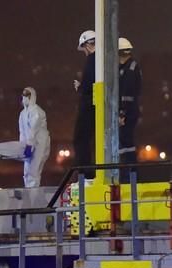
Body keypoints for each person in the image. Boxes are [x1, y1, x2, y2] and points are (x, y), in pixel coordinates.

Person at [118, 37, 142, 183]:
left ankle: (128, 176)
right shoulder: (126, 67)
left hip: (128, 111)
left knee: (126, 142)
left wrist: (122, 113)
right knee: (124, 143)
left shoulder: (130, 69)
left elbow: (127, 93)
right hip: (128, 110)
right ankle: (127, 174)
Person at [73, 30, 96, 180]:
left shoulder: (92, 60)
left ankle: (85, 174)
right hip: (95, 104)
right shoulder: (102, 60)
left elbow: (88, 85)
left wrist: (80, 87)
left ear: (87, 45)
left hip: (88, 105)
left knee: (80, 138)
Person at [19, 87, 51, 187]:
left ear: (31, 97)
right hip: (28, 145)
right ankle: (30, 196)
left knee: (34, 171)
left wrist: (29, 145)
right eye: (23, 95)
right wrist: (22, 146)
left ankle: (33, 197)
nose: (24, 98)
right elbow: (22, 132)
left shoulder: (37, 112)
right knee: (27, 172)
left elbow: (33, 129)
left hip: (39, 144)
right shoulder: (23, 114)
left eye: (27, 95)